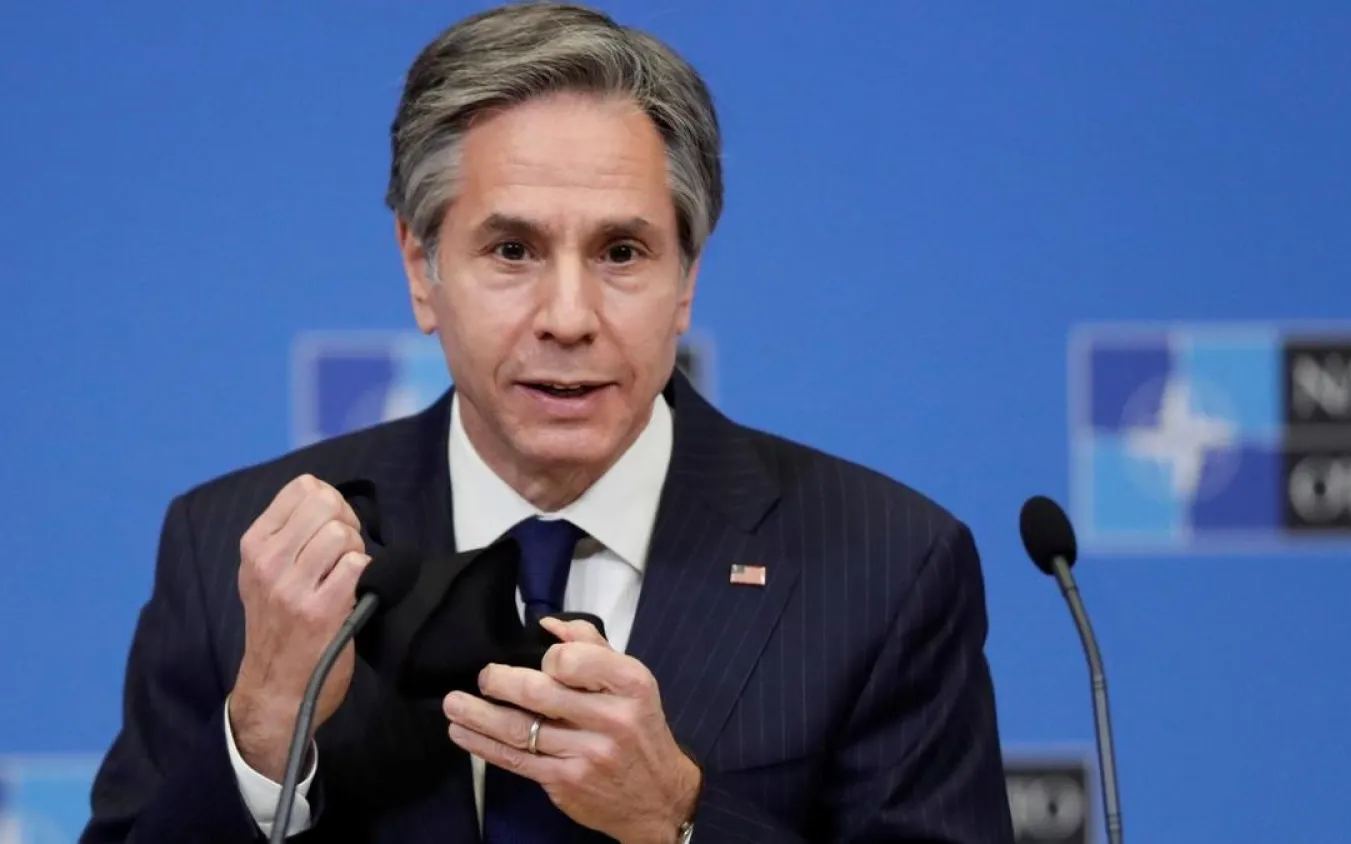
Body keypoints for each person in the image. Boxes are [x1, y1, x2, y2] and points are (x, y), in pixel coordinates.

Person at [81, 3, 1014, 842]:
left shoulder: (884, 567)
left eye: (622, 251)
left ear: (686, 279)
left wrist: (678, 822)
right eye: (512, 249)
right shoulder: (235, 551)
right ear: (420, 269)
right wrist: (259, 735)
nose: (569, 317)